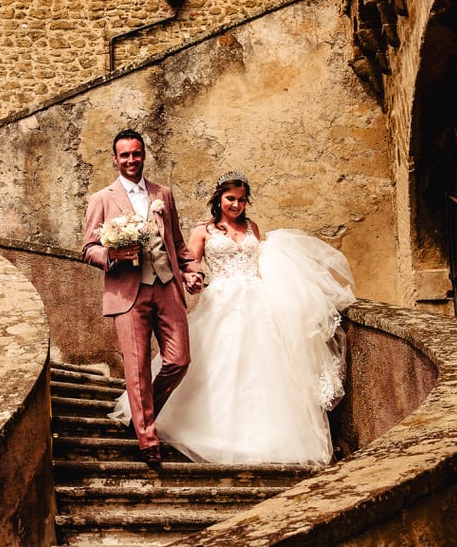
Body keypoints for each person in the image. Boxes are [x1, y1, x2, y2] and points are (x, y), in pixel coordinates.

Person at [111, 171, 356, 466]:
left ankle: (265, 437)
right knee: (216, 365)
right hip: (221, 304)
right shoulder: (204, 230)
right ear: (219, 199)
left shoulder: (253, 227)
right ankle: (198, 427)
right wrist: (192, 278)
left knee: (264, 369)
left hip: (258, 303)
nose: (236, 205)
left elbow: (264, 262)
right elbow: (190, 264)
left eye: (241, 200)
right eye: (230, 199)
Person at [82, 129, 204, 467]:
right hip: (127, 293)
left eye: (136, 154)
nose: (131, 160)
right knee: (135, 370)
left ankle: (140, 412)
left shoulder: (162, 194)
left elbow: (178, 244)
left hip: (166, 285)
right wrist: (112, 256)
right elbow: (88, 248)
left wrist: (193, 270)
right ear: (114, 159)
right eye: (125, 156)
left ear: (144, 154)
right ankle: (147, 439)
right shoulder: (101, 199)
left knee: (179, 361)